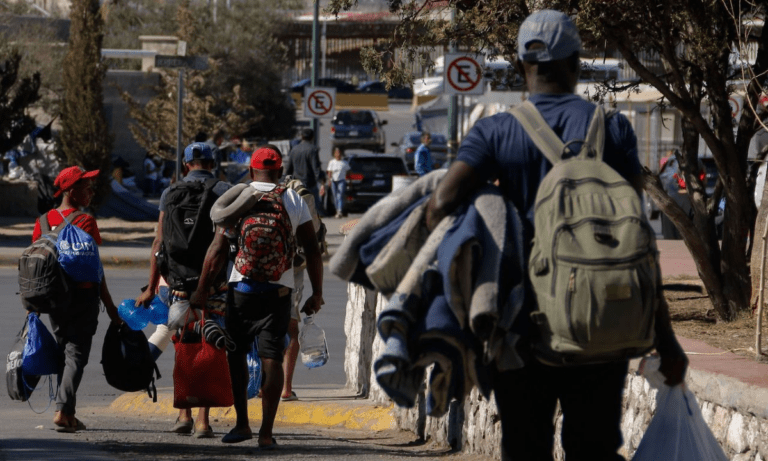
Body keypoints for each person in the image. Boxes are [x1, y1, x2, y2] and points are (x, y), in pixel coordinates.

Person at [424, 10, 689, 461]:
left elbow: (441, 204)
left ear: (521, 64)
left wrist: (489, 213)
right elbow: (636, 241)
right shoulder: (612, 129)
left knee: (525, 447)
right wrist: (666, 340)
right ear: (576, 61)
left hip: (520, 330)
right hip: (599, 322)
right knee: (594, 448)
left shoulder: (496, 132)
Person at [190, 145, 324, 448]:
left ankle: (241, 424)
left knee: (235, 355)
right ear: (279, 171)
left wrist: (202, 288)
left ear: (252, 171)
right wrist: (317, 293)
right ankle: (266, 433)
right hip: (279, 293)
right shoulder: (292, 198)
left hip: (241, 291)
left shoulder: (240, 196)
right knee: (271, 359)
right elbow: (313, 250)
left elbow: (217, 249)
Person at [135, 142, 231, 439]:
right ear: (212, 163)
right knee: (210, 347)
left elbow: (158, 244)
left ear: (187, 164)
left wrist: (152, 287)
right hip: (214, 284)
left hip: (176, 285)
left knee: (182, 347)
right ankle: (204, 420)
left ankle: (183, 414)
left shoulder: (170, 192)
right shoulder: (225, 190)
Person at [30, 166, 121, 433]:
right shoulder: (85, 221)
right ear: (71, 191)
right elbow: (96, 270)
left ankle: (69, 415)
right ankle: (61, 411)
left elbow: (36, 265)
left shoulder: (42, 221)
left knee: (65, 354)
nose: (91, 192)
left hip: (53, 298)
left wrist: (32, 307)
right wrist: (110, 305)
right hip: (82, 297)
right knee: (76, 355)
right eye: (86, 187)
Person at [285, 128, 326, 216]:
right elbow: (316, 169)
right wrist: (322, 180)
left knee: (297, 210)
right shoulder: (313, 149)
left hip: (297, 185)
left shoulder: (294, 149)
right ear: (312, 137)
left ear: (302, 137)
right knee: (314, 210)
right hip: (310, 184)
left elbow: (289, 169)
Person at [326, 147, 350, 218]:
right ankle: (337, 210)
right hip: (333, 181)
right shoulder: (332, 162)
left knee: (340, 195)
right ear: (334, 154)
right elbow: (329, 172)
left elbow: (349, 171)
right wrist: (329, 180)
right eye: (336, 153)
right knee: (335, 196)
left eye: (339, 153)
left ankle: (339, 210)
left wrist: (349, 181)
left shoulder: (344, 163)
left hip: (341, 181)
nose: (338, 154)